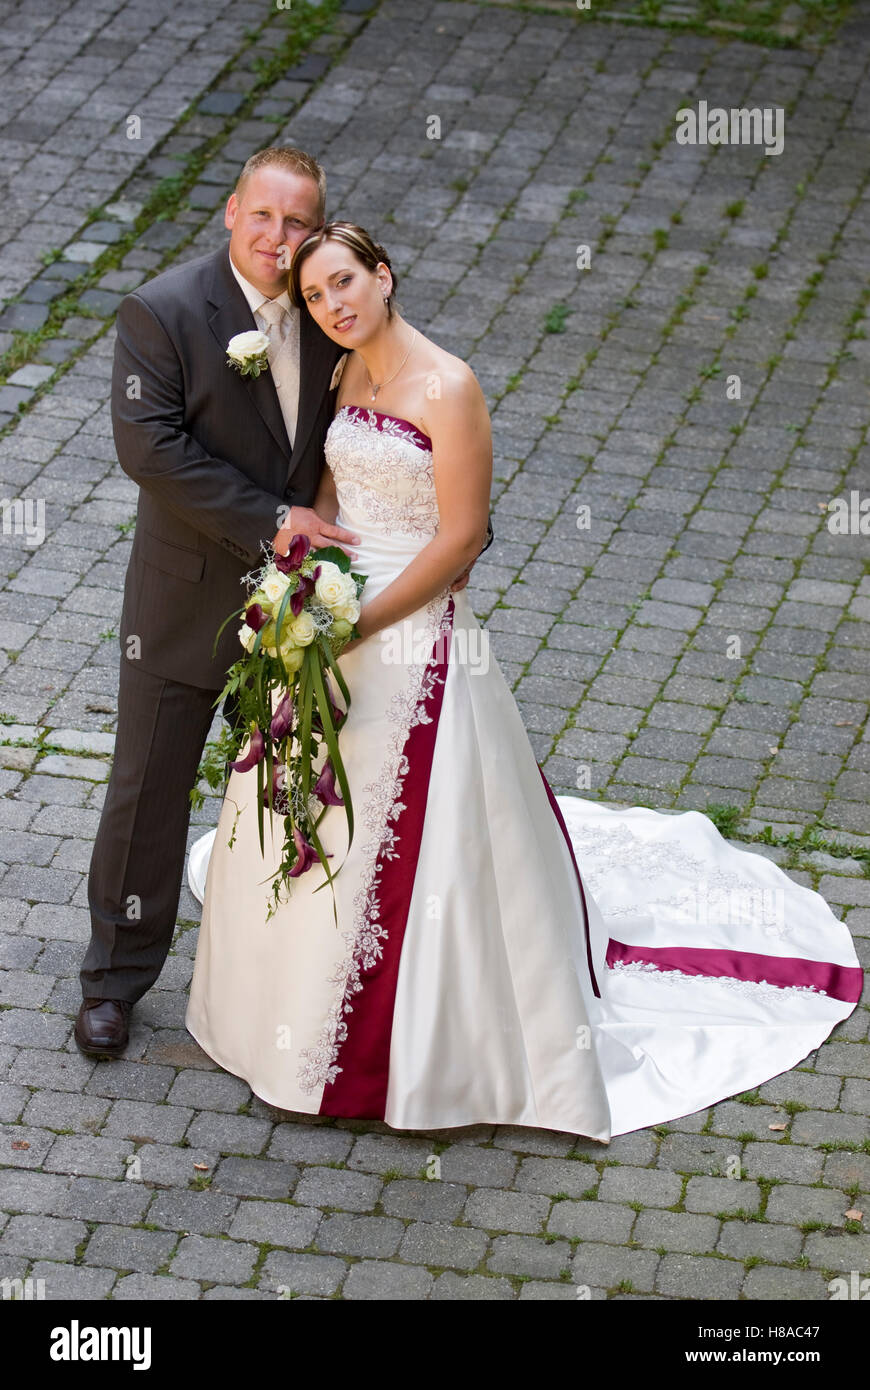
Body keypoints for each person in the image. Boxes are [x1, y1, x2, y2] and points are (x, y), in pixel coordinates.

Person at [184, 223, 862, 1138]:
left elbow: (461, 538)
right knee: (303, 795)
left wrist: (363, 622)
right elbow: (340, 492)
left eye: (345, 283)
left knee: (410, 831)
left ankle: (397, 1053)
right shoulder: (345, 374)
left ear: (384, 277)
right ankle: (277, 1018)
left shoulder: (449, 386)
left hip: (412, 630)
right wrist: (312, 578)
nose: (333, 306)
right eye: (313, 297)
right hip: (334, 609)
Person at [76, 149, 494, 1061]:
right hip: (189, 598)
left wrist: (455, 540)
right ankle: (112, 980)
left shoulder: (329, 314)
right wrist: (278, 524)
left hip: (321, 610)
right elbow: (150, 451)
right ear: (231, 213)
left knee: (296, 788)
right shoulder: (166, 311)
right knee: (149, 790)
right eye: (263, 217)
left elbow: (405, 438)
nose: (279, 238)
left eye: (298, 223)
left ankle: (279, 982)